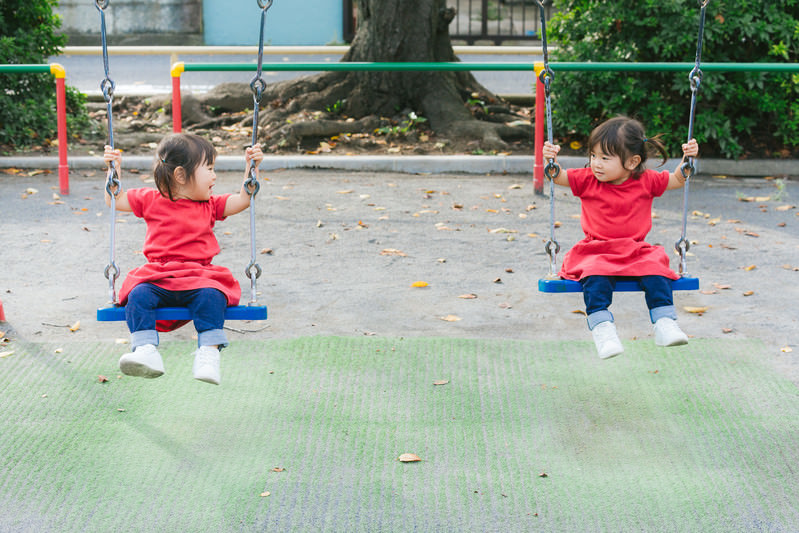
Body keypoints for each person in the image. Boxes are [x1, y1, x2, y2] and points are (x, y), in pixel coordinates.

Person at [103, 133, 263, 384]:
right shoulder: (150, 199)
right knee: (137, 295)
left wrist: (250, 168)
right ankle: (146, 350)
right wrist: (114, 171)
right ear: (180, 175)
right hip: (159, 276)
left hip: (199, 277)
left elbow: (243, 199)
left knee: (212, 295)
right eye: (208, 169)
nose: (214, 176)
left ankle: (208, 353)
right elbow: (115, 200)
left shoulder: (209, 205)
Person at [541, 116, 699, 359]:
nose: (596, 164)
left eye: (605, 158)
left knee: (657, 270)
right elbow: (557, 175)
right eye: (593, 156)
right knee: (595, 277)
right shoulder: (586, 179)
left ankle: (664, 323)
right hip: (597, 250)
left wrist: (688, 159)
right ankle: (603, 330)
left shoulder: (647, 181)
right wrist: (550, 160)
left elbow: (678, 179)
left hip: (635, 250)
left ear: (632, 162)